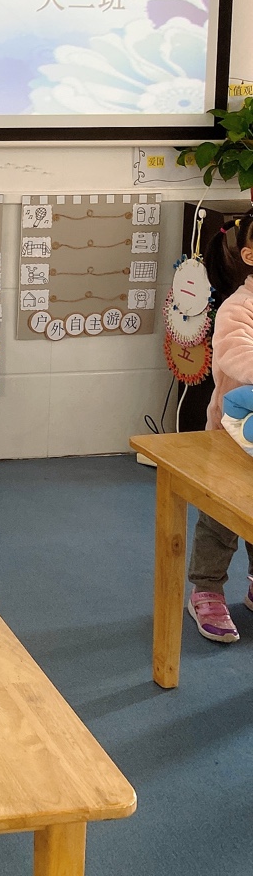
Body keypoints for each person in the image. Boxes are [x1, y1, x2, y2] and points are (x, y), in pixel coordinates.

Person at [187, 211, 253, 642]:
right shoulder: (238, 307)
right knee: (222, 516)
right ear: (249, 255)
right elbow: (235, 353)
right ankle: (207, 590)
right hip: (233, 435)